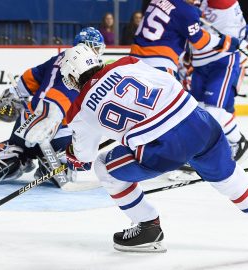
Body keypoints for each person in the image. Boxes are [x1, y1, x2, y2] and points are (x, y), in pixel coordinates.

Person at [52, 44, 247, 252]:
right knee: (232, 182)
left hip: (164, 149)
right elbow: (167, 77)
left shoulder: (79, 110)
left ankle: (148, 227)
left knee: (103, 166)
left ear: (72, 76)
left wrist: (73, 155)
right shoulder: (126, 63)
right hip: (200, 123)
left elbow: (85, 157)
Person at [0, 27, 105, 186]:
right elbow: (63, 97)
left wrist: (12, 95)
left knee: (19, 147)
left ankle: (13, 154)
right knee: (73, 155)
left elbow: (27, 80)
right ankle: (54, 162)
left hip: (25, 124)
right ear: (90, 47)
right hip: (55, 131)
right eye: (98, 48)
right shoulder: (84, 69)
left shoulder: (55, 59)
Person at [130, 0, 248, 162]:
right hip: (163, 63)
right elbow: (198, 40)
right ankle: (175, 151)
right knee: (183, 111)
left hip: (137, 59)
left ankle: (233, 142)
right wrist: (227, 42)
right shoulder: (187, 10)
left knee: (198, 111)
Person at [189, 0, 248, 163]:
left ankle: (237, 142)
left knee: (214, 110)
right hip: (202, 63)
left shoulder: (222, 3)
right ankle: (210, 146)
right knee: (198, 110)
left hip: (222, 61)